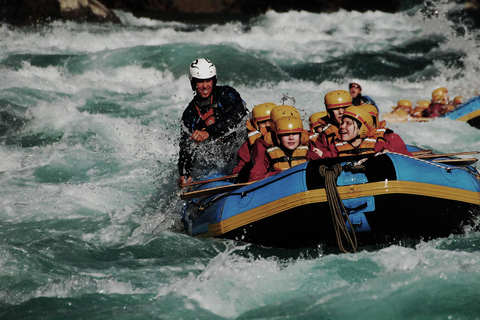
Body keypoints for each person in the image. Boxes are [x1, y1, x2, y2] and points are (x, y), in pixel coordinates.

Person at [178, 58, 248, 186]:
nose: (205, 86)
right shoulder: (189, 115)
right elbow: (185, 148)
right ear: (193, 83)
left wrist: (209, 132)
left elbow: (236, 116)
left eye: (208, 80)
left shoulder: (227, 94)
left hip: (242, 147)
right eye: (200, 81)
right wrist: (184, 173)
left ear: (214, 80)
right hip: (220, 160)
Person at [248, 116, 318, 181]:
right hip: (279, 190)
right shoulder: (269, 154)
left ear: (300, 136)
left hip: (301, 189)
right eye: (286, 134)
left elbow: (322, 169)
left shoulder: (308, 152)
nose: (291, 138)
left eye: (295, 134)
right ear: (278, 137)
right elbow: (255, 176)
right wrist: (273, 176)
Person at [231, 102, 276, 182]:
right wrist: (243, 170)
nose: (268, 125)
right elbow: (241, 165)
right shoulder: (249, 144)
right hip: (260, 176)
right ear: (256, 125)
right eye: (263, 122)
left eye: (270, 121)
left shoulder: (290, 138)